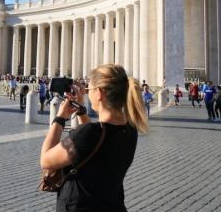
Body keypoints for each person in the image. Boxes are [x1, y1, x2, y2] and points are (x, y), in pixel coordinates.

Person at [40, 64, 147, 212]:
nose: (87, 94)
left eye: (89, 90)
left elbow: (46, 161)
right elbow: (95, 142)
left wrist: (59, 118)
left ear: (99, 93)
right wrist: (81, 110)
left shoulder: (90, 133)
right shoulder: (130, 130)